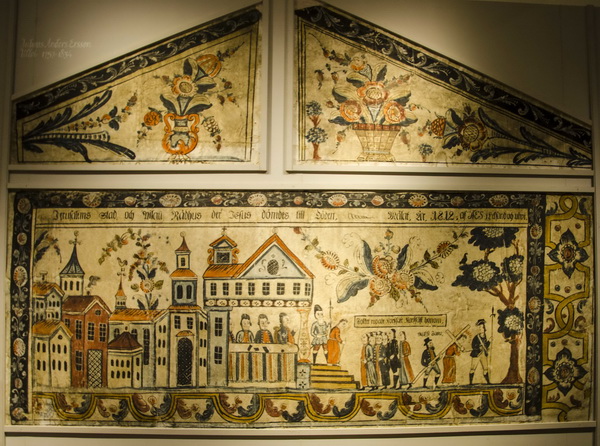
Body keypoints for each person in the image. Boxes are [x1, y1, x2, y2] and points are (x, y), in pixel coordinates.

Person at [470, 319, 491, 384]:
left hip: (483, 354)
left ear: (484, 328)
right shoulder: (476, 337)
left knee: (485, 368)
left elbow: (485, 346)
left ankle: (488, 382)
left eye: (481, 327)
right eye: (479, 327)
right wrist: (478, 347)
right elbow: (473, 345)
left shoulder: (485, 336)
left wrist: (489, 341)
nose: (480, 329)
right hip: (476, 354)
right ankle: (470, 383)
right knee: (473, 369)